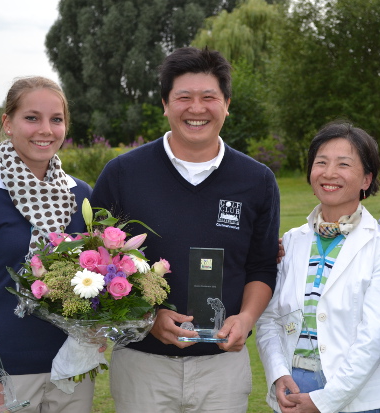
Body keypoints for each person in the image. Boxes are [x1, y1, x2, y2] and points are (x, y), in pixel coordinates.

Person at [90, 46, 280, 412]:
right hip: (141, 365)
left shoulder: (257, 181)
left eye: (209, 97)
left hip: (223, 367)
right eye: (184, 97)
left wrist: (246, 317)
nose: (196, 108)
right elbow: (94, 265)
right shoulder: (123, 174)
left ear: (226, 104)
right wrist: (146, 319)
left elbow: (261, 266)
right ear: (165, 103)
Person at [0, 77, 95, 412]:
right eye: (32, 117)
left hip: (72, 373)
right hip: (3, 376)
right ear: (8, 124)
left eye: (56, 119)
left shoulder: (80, 195)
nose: (46, 130)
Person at [256, 121, 380, 413]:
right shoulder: (291, 241)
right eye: (321, 162)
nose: (329, 173)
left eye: (344, 164)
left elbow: (374, 334)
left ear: (366, 179)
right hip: (292, 387)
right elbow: (269, 318)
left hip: (352, 395)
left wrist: (326, 400)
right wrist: (278, 373)